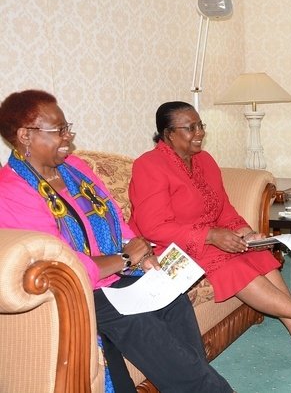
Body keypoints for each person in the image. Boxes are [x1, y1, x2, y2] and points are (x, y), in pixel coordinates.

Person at [0, 90, 233, 393]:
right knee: (145, 330)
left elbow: (113, 214)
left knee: (174, 299)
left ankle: (193, 381)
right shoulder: (13, 192)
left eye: (67, 127)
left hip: (117, 276)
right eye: (58, 130)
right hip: (79, 290)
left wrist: (143, 253)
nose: (68, 138)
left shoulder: (75, 169)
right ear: (25, 136)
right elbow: (62, 264)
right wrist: (125, 259)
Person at [128, 101, 291, 360]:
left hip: (209, 237)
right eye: (190, 128)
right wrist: (211, 235)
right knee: (231, 265)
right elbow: (153, 227)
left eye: (200, 125)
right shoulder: (149, 165)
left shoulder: (205, 160)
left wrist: (245, 232)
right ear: (168, 134)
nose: (199, 132)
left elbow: (222, 208)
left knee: (254, 253)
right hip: (166, 249)